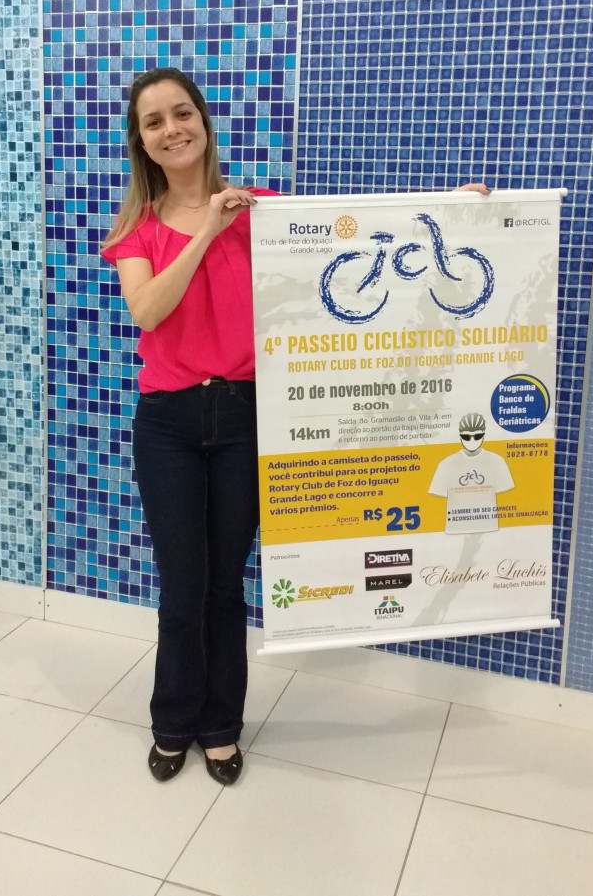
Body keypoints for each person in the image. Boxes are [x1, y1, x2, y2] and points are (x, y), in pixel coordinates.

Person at [102, 65, 490, 787]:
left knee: (225, 584)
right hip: (168, 424)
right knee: (182, 587)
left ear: (202, 121)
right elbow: (148, 310)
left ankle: (221, 726)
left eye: (182, 113)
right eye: (154, 122)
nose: (172, 129)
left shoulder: (264, 213)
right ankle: (172, 721)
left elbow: (356, 232)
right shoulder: (137, 229)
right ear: (141, 142)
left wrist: (450, 211)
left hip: (246, 417)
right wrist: (209, 228)